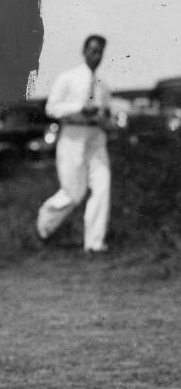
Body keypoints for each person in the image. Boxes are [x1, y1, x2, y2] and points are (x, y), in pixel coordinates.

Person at [36, 35, 112, 253]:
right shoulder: (67, 78)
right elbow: (52, 108)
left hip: (96, 139)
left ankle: (95, 244)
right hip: (72, 137)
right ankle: (44, 225)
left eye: (100, 52)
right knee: (73, 193)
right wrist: (79, 108)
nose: (96, 56)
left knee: (102, 187)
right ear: (84, 51)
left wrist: (106, 120)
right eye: (92, 51)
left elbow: (107, 113)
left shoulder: (103, 86)